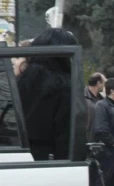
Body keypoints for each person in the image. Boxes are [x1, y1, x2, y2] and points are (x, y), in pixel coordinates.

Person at [15, 27, 78, 161]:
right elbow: (65, 133)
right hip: (47, 157)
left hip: (15, 151)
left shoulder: (21, 79)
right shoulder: (63, 85)